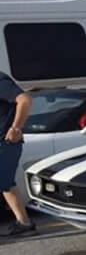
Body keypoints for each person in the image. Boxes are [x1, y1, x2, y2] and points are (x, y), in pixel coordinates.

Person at [0, 71, 34, 236]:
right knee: (7, 184)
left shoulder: (1, 80)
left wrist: (16, 128)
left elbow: (25, 100)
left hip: (5, 142)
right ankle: (24, 223)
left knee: (4, 182)